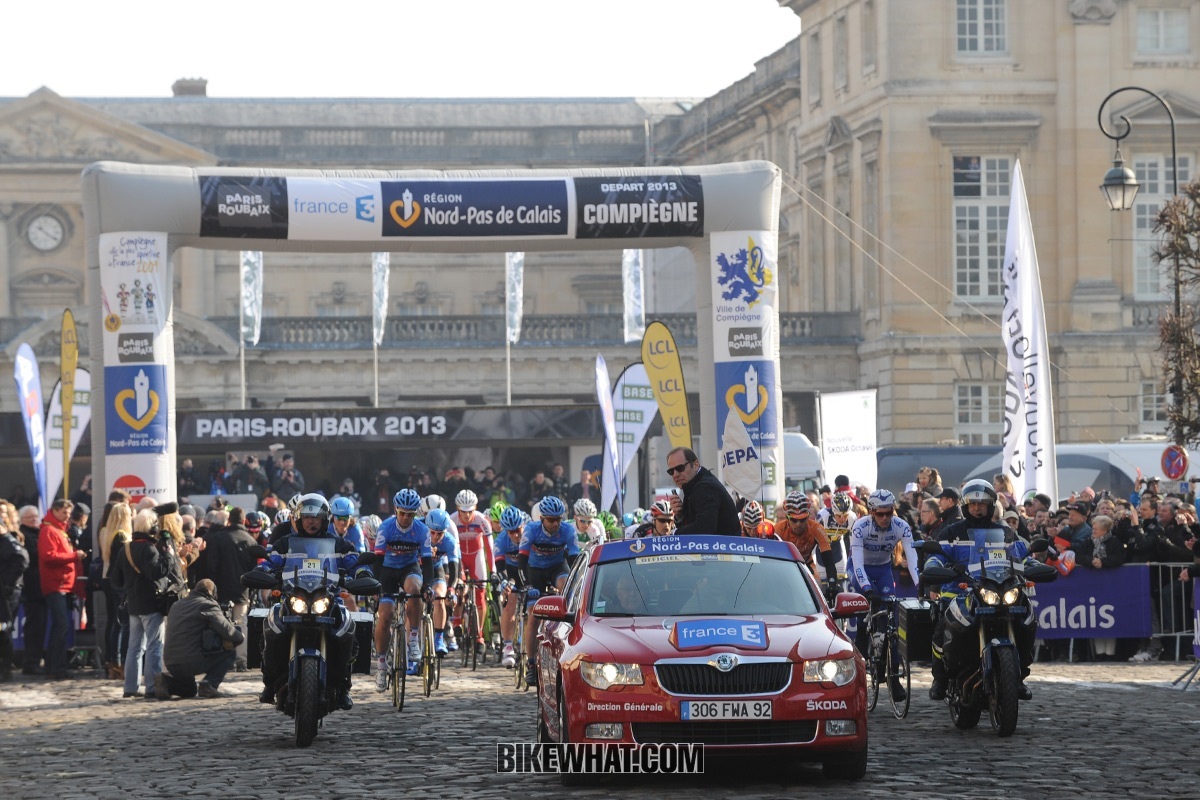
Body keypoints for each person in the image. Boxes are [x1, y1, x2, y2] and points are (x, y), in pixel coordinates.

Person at [924, 479, 1037, 702]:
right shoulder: (952, 532)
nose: (977, 508)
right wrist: (934, 567)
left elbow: (1021, 554)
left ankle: (1019, 675)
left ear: (990, 505)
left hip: (997, 588)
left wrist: (1034, 566)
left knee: (1026, 616)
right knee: (940, 630)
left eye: (982, 504)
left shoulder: (1004, 532)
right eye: (973, 504)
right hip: (959, 590)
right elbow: (936, 555)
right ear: (965, 506)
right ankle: (941, 678)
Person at [257, 494, 359, 709]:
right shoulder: (284, 543)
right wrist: (262, 571)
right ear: (298, 519)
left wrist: (362, 573)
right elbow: (271, 561)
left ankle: (343, 686)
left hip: (328, 599)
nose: (311, 522)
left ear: (325, 520)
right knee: (272, 624)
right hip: (293, 598)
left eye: (317, 518)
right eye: (306, 518)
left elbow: (354, 562)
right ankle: (270, 682)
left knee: (347, 627)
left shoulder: (339, 543)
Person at [848, 489, 919, 702]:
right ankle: (861, 653)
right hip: (861, 570)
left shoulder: (901, 527)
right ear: (871, 512)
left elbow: (913, 559)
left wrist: (920, 586)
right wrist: (866, 588)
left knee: (892, 624)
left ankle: (894, 679)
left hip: (884, 569)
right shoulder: (860, 527)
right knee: (862, 616)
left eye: (889, 513)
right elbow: (858, 561)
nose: (885, 518)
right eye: (880, 514)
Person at [110, 508, 181, 699]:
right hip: (151, 603)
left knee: (134, 647)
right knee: (154, 646)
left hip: (133, 603)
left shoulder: (125, 548)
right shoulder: (149, 549)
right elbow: (157, 572)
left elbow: (115, 579)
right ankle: (152, 686)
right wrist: (168, 555)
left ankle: (130, 687)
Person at [372, 488, 433, 690]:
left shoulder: (422, 530)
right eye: (402, 513)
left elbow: (427, 562)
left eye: (411, 514)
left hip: (409, 568)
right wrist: (377, 586)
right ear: (396, 510)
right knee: (386, 616)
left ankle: (413, 637)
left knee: (415, 589)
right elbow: (378, 561)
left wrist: (428, 587)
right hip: (387, 569)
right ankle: (381, 664)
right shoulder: (386, 528)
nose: (406, 518)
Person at [517, 496, 580, 686]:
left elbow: (574, 560)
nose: (555, 524)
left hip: (556, 568)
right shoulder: (531, 530)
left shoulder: (568, 530)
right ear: (542, 518)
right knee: (533, 614)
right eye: (551, 520)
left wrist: (574, 586)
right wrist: (527, 585)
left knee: (565, 586)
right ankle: (530, 663)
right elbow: (521, 561)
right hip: (534, 570)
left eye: (558, 519)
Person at [192, 504, 260, 673]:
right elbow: (253, 570)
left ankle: (224, 658)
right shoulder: (250, 540)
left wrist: (213, 588)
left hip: (221, 589)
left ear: (229, 520)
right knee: (241, 623)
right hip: (242, 590)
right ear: (243, 520)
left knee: (220, 623)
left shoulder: (219, 538)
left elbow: (212, 565)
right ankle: (241, 660)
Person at [157, 578, 244, 699]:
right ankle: (209, 685)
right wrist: (240, 637)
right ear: (210, 592)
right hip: (191, 661)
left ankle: (167, 684)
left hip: (171, 662)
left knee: (190, 690)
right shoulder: (207, 605)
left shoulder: (177, 605)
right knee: (229, 654)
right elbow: (228, 631)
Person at [38, 499, 85, 680]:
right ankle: (56, 667)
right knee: (61, 625)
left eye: (68, 513)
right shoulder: (49, 530)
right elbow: (48, 557)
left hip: (63, 584)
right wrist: (74, 555)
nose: (67, 516)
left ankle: (54, 665)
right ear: (55, 511)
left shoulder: (58, 530)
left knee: (60, 626)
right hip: (56, 585)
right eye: (64, 513)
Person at [776, 491, 840, 596]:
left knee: (818, 586)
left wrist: (832, 584)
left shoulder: (816, 528)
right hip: (783, 568)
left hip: (806, 565)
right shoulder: (778, 529)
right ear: (787, 517)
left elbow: (829, 561)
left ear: (808, 515)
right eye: (794, 520)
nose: (798, 524)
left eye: (802, 519)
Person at [666, 447, 740, 535]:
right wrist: (680, 516)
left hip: (723, 547)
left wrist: (674, 533)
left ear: (696, 464)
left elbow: (704, 528)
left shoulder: (705, 487)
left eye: (680, 468)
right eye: (671, 471)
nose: (675, 475)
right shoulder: (693, 486)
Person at [493, 505, 527, 668]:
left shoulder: (530, 534)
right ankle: (507, 646)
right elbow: (499, 567)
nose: (515, 535)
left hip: (528, 569)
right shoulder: (501, 540)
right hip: (511, 572)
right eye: (511, 532)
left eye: (518, 530)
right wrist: (505, 582)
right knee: (510, 601)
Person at [0, 510, 29, 682]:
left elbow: (22, 559)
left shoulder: (8, 542)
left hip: (7, 594)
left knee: (3, 630)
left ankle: (6, 667)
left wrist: (7, 584)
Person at [17, 505, 45, 675]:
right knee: (34, 626)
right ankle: (31, 662)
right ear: (22, 520)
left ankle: (35, 659)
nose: (34, 520)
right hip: (32, 589)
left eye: (36, 516)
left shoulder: (39, 533)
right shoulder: (24, 535)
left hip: (40, 588)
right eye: (30, 517)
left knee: (39, 626)